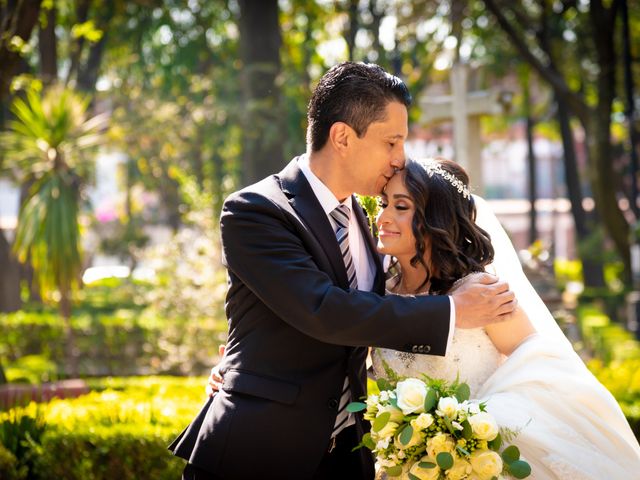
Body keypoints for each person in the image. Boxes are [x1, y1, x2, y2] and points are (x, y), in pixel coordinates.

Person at [169, 62, 516, 480]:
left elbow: (366, 328)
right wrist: (452, 312)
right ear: (342, 137)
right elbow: (323, 310)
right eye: (392, 142)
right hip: (258, 452)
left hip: (346, 458)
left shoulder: (367, 219)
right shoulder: (256, 211)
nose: (400, 158)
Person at [370, 157, 640, 478]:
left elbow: (543, 369)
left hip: (476, 462)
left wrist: (467, 427)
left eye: (401, 207)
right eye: (384, 203)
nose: (382, 217)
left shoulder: (482, 294)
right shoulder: (377, 296)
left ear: (435, 218)